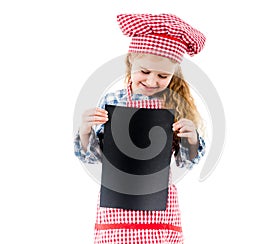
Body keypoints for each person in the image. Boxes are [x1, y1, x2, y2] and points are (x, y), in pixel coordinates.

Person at [74, 13, 207, 244]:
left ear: (173, 74)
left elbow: (185, 162)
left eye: (163, 75)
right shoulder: (112, 100)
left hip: (158, 207)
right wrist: (85, 131)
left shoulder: (174, 105)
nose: (152, 81)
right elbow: (96, 158)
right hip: (116, 205)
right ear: (130, 62)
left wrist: (192, 139)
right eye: (144, 71)